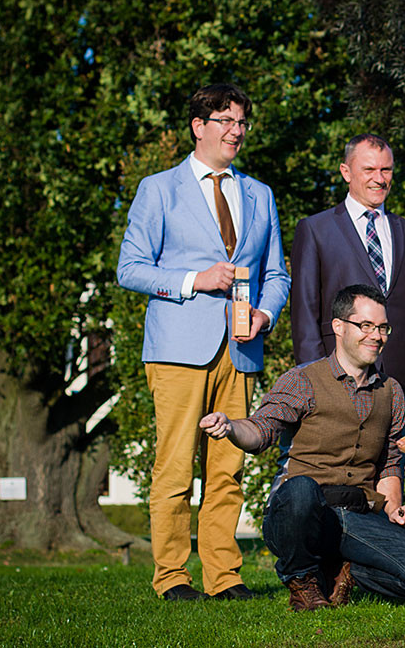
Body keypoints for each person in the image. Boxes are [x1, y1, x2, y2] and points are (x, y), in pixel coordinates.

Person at [117, 83, 290, 601]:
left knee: (228, 468)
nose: (236, 130)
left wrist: (265, 312)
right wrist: (196, 280)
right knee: (174, 467)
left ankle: (224, 576)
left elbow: (276, 273)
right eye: (226, 121)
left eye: (241, 122)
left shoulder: (260, 193)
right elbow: (130, 269)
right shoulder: (158, 189)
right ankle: (171, 577)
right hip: (177, 349)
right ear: (199, 127)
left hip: (241, 347)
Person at [199, 285, 405, 611]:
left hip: (356, 516)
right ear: (338, 326)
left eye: (382, 327)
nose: (376, 336)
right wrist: (232, 427)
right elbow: (261, 429)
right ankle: (302, 581)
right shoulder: (302, 380)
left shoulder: (391, 391)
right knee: (302, 490)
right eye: (365, 326)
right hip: (299, 515)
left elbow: (390, 463)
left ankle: (344, 572)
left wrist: (394, 510)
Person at [290, 134, 405, 416]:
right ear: (346, 172)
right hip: (335, 378)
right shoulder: (315, 230)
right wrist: (314, 381)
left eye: (386, 170)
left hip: (399, 382)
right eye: (369, 170)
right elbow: (304, 315)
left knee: (395, 461)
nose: (380, 178)